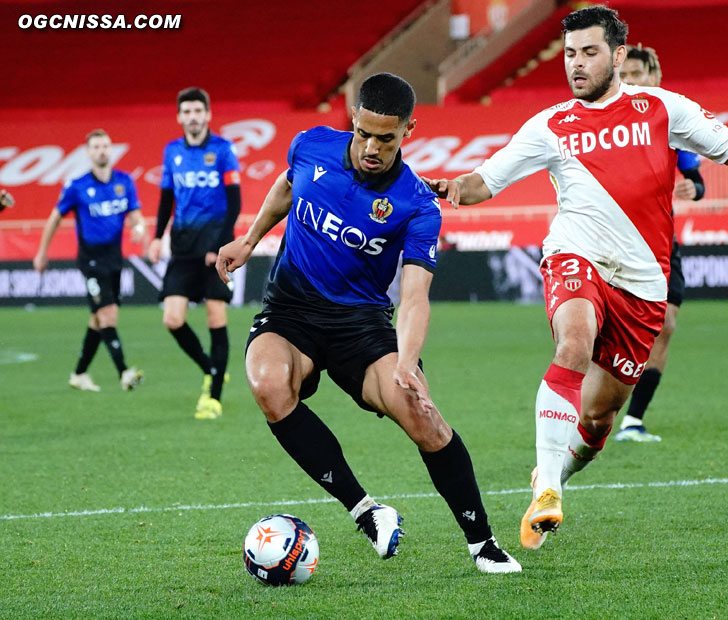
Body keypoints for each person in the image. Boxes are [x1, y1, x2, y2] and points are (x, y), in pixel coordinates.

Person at [423, 5, 728, 550]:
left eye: (588, 52)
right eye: (569, 54)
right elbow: (488, 178)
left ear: (619, 55)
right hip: (575, 256)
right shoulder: (551, 124)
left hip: (644, 283)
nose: (576, 64)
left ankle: (553, 475)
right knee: (574, 344)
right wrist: (453, 188)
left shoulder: (661, 109)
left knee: (601, 416)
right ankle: (550, 488)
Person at [216, 73, 521, 574]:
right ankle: (367, 512)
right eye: (365, 133)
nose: (373, 147)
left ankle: (482, 543)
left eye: (387, 137)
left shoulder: (417, 203)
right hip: (291, 307)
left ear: (409, 131)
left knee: (422, 414)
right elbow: (287, 184)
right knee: (268, 384)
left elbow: (415, 296)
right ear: (353, 120)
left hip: (360, 321)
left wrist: (406, 359)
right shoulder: (310, 144)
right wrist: (249, 241)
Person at [613, 44, 706, 442]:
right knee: (604, 334)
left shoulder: (670, 127)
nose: (630, 81)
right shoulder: (608, 127)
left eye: (637, 74)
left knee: (665, 325)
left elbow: (697, 182)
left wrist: (693, 188)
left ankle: (633, 419)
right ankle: (589, 413)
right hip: (612, 240)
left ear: (654, 79)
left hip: (661, 242)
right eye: (625, 74)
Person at [147, 87, 241, 419]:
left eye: (197, 111)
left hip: (214, 246)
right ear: (179, 117)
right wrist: (157, 237)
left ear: (207, 114)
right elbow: (164, 200)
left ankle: (212, 398)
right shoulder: (171, 152)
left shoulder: (224, 150)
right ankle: (211, 367)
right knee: (172, 320)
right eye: (186, 112)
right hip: (183, 247)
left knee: (216, 315)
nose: (192, 117)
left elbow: (234, 203)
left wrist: (219, 247)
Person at [33, 129, 145, 392]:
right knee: (107, 315)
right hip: (90, 260)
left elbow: (135, 214)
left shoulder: (125, 182)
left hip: (114, 259)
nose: (101, 151)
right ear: (88, 152)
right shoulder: (77, 185)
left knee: (99, 317)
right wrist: (42, 251)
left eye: (105, 146)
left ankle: (79, 373)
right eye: (96, 147)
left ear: (111, 149)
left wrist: (138, 227)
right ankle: (124, 372)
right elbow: (54, 218)